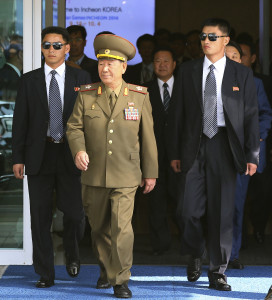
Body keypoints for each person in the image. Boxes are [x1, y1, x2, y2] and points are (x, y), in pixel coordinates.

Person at [168, 18, 259, 291]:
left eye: (211, 37)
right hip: (193, 145)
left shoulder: (240, 74)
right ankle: (196, 252)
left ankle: (218, 270)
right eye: (203, 37)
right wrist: (174, 151)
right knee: (187, 211)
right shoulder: (187, 70)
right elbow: (176, 115)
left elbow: (251, 116)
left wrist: (252, 154)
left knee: (222, 212)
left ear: (225, 40)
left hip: (224, 145)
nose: (205, 41)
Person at [66, 34, 158, 298]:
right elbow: (74, 127)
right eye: (101, 64)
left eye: (111, 64)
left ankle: (121, 279)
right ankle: (106, 270)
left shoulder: (139, 97)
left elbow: (148, 138)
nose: (105, 69)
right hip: (93, 174)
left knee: (121, 227)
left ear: (124, 67)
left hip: (127, 174)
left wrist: (150, 173)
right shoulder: (86, 96)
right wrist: (79, 150)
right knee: (99, 228)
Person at [12, 26, 91, 288]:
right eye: (47, 45)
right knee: (40, 217)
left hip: (71, 154)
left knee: (75, 214)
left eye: (57, 45)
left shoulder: (82, 79)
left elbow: (90, 122)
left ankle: (72, 253)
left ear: (67, 48)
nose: (51, 50)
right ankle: (45, 271)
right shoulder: (28, 80)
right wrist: (17, 157)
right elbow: (20, 122)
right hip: (39, 154)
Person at [225, 41, 272, 269]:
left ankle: (231, 255)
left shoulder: (254, 83)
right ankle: (214, 252)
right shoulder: (209, 82)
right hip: (214, 154)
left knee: (236, 205)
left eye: (237, 56)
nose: (233, 59)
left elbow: (264, 114)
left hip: (242, 154)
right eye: (228, 56)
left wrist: (258, 138)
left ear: (243, 59)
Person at [237, 38, 272, 244]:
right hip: (232, 152)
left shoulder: (260, 82)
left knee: (261, 194)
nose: (238, 59)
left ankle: (257, 232)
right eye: (234, 55)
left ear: (252, 58)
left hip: (256, 149)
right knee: (235, 199)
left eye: (242, 55)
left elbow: (266, 113)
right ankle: (237, 244)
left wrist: (258, 135)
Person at [144, 46, 178, 255]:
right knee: (155, 202)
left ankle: (189, 244)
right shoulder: (143, 90)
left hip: (179, 156)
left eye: (166, 61)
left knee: (180, 200)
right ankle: (161, 244)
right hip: (152, 155)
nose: (162, 64)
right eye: (158, 61)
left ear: (174, 64)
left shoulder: (186, 88)